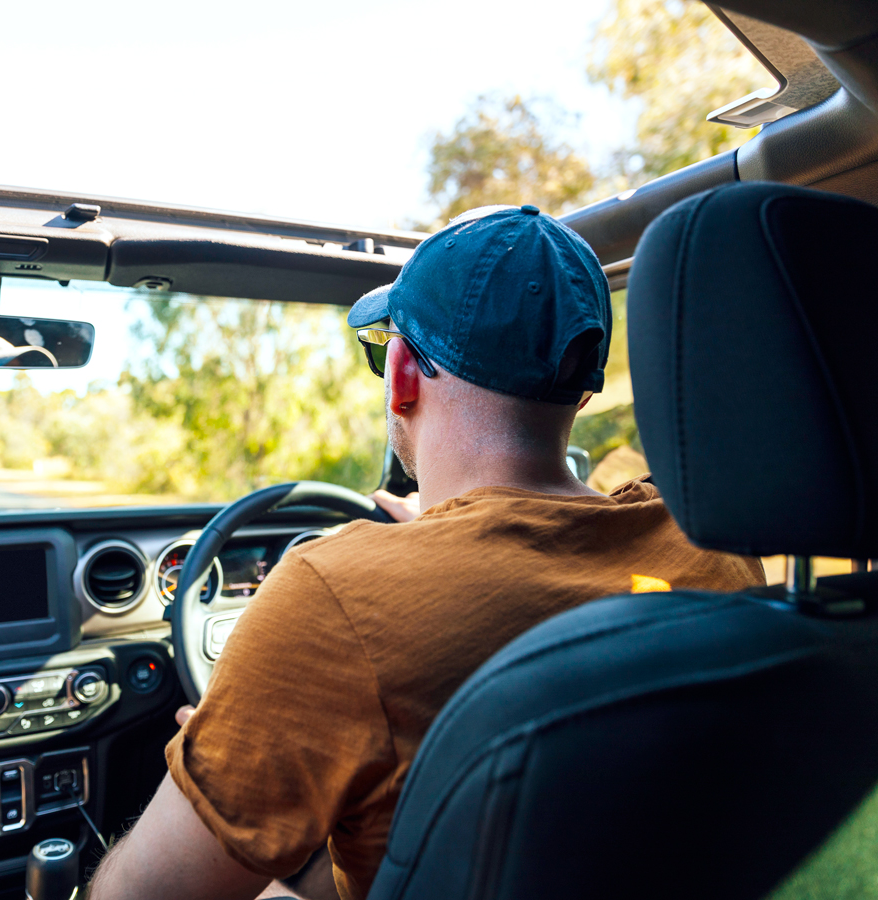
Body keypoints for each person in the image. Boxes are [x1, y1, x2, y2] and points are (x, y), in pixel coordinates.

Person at [87, 204, 765, 900]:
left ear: (402, 373)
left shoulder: (336, 597)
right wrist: (440, 529)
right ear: (583, 385)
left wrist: (240, 743)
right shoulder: (714, 545)